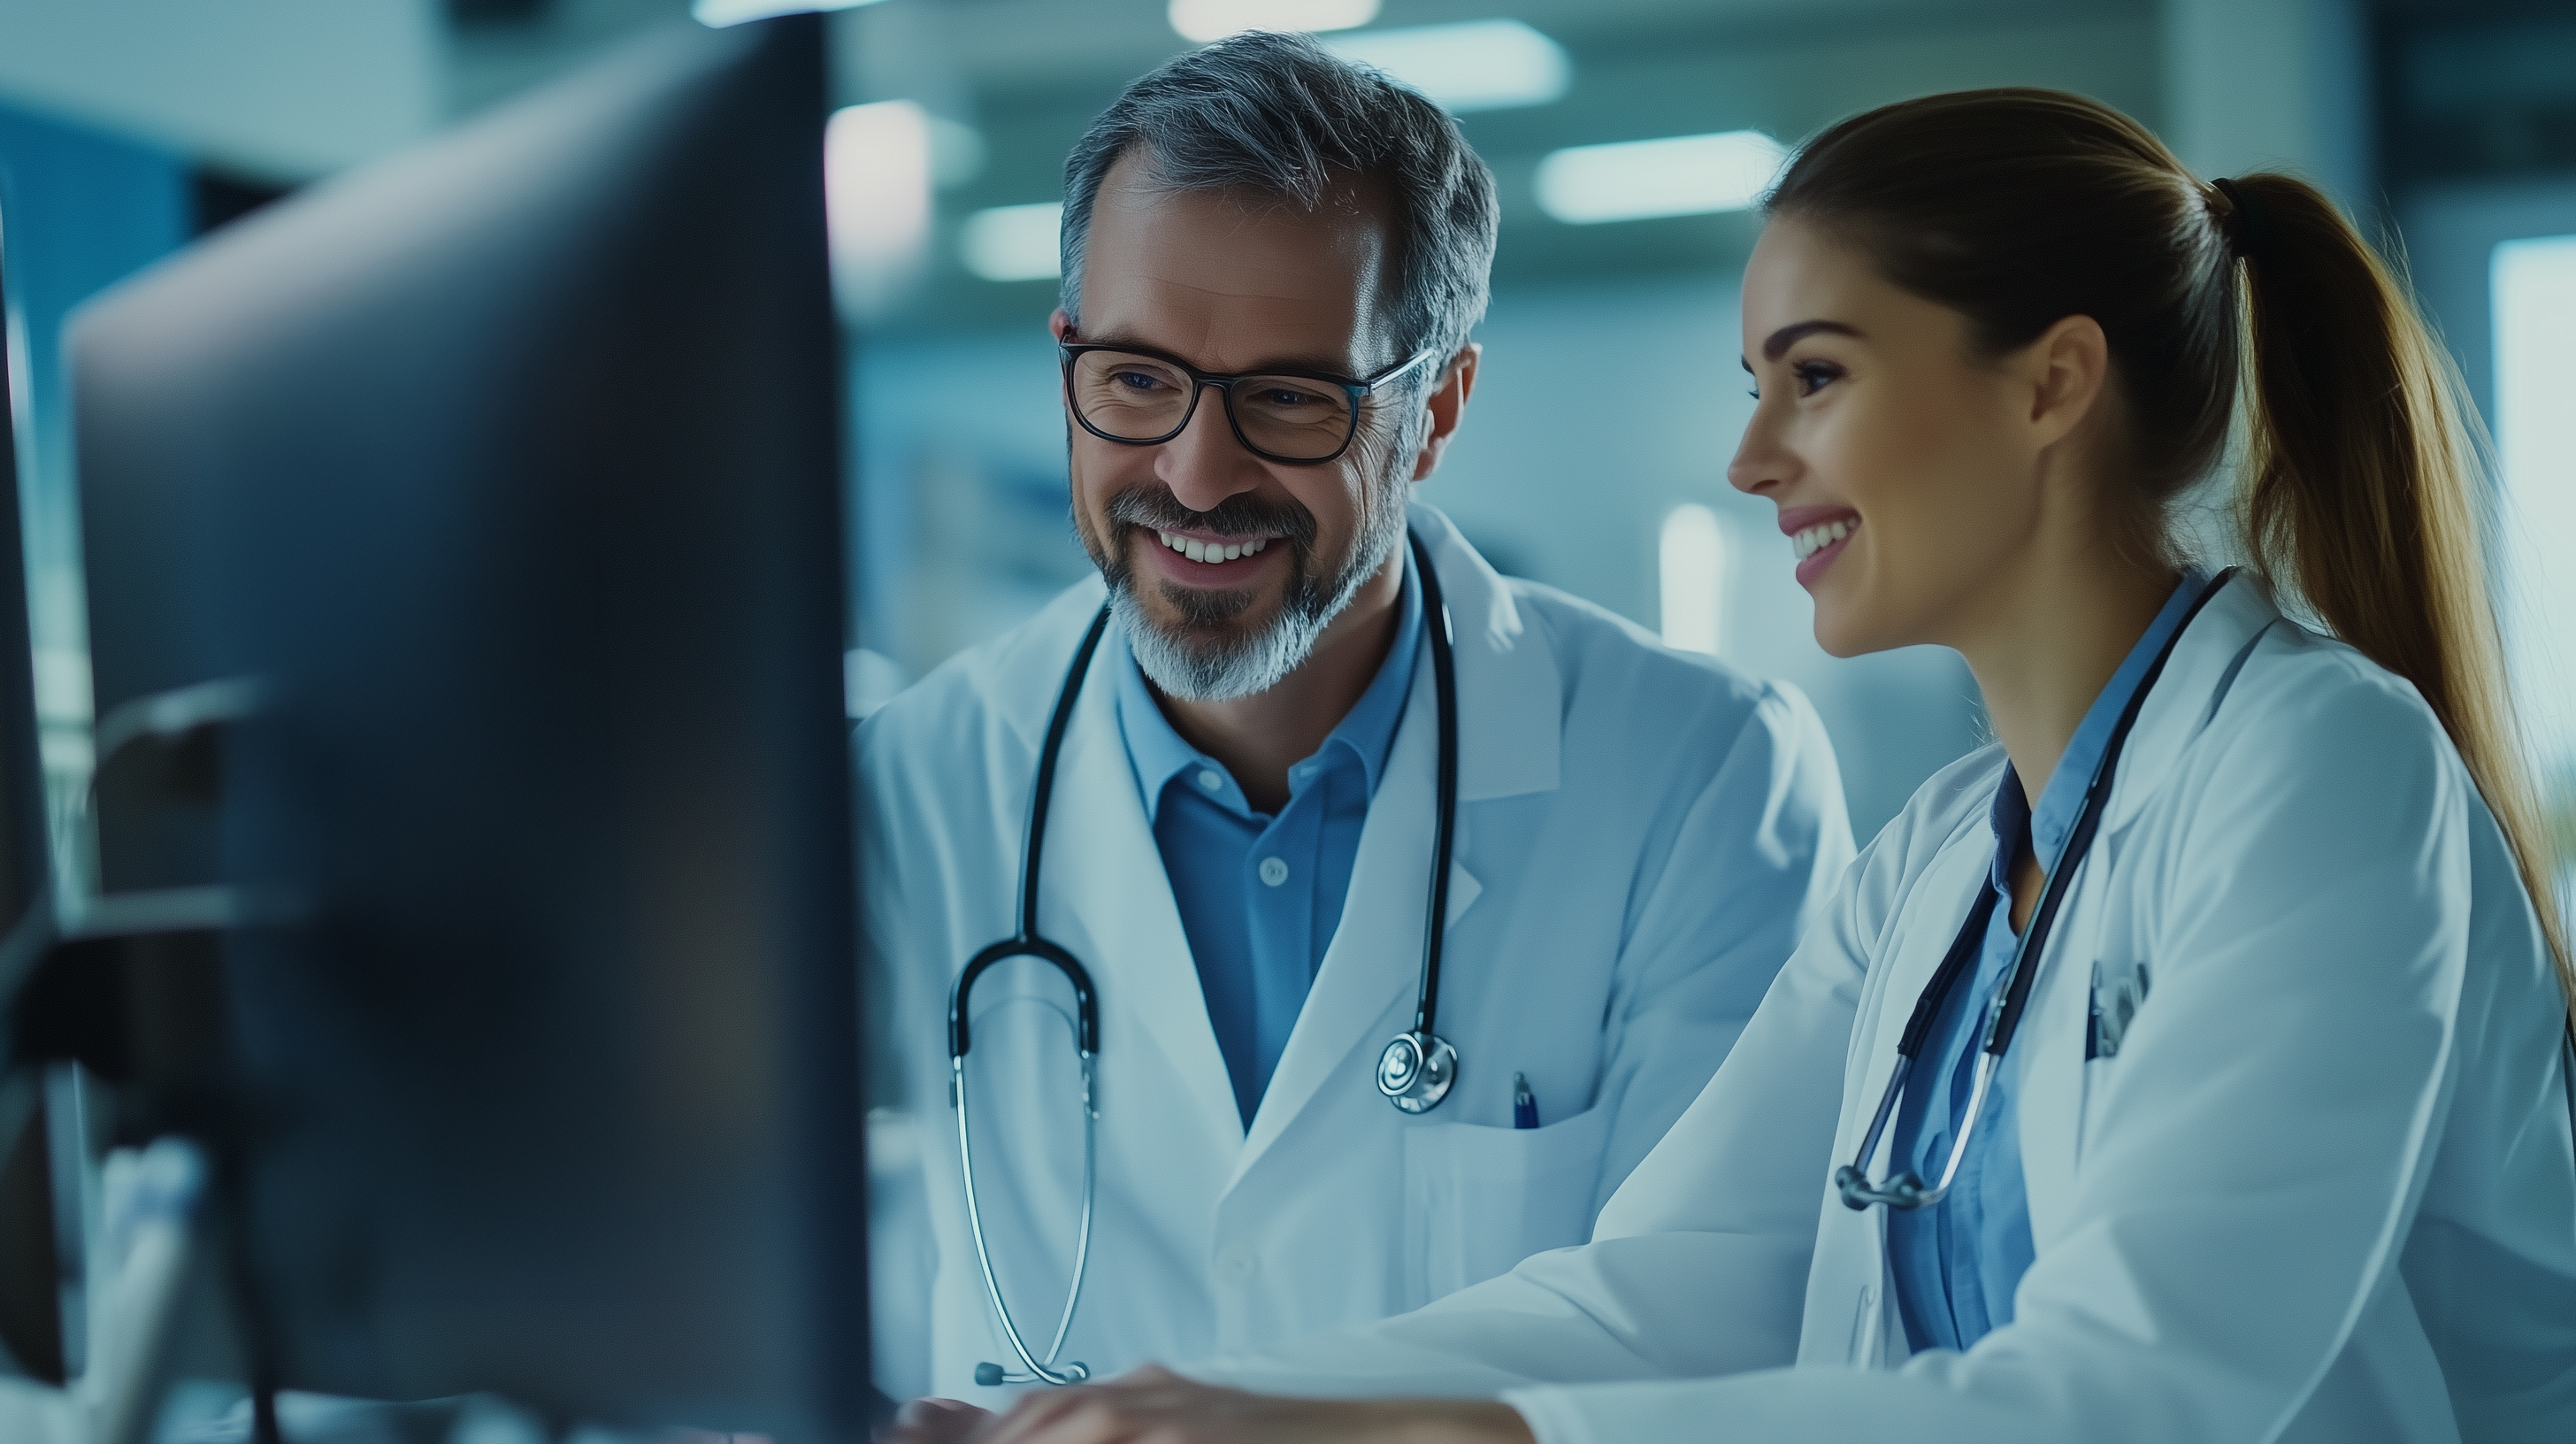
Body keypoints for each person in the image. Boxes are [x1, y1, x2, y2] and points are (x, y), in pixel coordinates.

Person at [901, 87, 2576, 1444]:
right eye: (1758, 381)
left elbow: (2141, 1390)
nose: (1754, 455)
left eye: (1819, 378)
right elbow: (1665, 1285)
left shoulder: (2319, 766)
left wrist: (1436, 1441)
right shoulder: (1932, 872)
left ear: (2054, 383)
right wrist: (1148, 1414)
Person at [859, 33, 1855, 1409]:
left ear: (1436, 407)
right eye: (1137, 380)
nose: (1197, 475)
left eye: (1289, 399)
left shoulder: (1703, 779)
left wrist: (1259, 1432)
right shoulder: (905, 786)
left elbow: (1726, 1316)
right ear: (1068, 362)